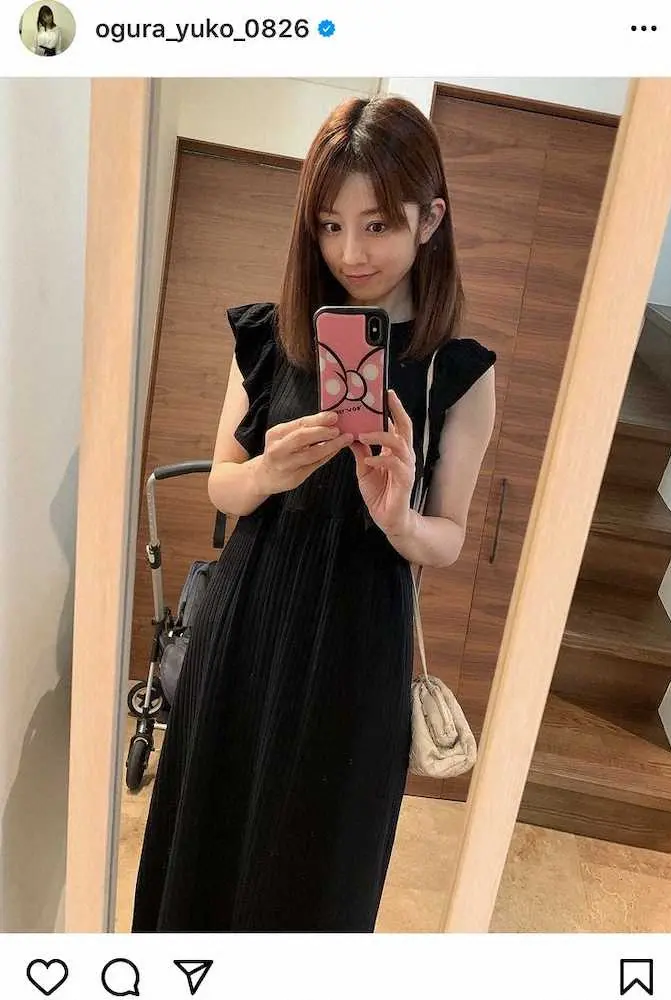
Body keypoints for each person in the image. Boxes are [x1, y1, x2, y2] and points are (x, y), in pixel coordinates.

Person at [131, 95, 497, 933]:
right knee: (210, 834)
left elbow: (447, 537)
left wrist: (399, 520)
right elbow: (222, 487)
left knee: (320, 863)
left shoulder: (457, 374)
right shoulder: (271, 339)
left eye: (378, 225)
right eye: (330, 226)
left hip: (360, 646)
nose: (351, 252)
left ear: (431, 218)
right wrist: (267, 471)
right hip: (248, 620)